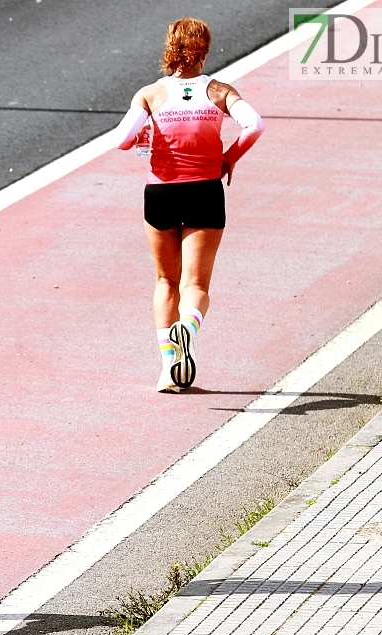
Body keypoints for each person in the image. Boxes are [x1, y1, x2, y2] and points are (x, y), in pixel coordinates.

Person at [110, 17, 264, 392]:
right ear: (205, 52)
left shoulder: (150, 94)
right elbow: (254, 125)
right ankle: (188, 328)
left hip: (160, 193)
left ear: (170, 50)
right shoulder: (219, 92)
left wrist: (142, 137)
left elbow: (121, 139)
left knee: (166, 281)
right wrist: (229, 158)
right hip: (205, 191)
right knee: (196, 284)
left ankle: (167, 370)